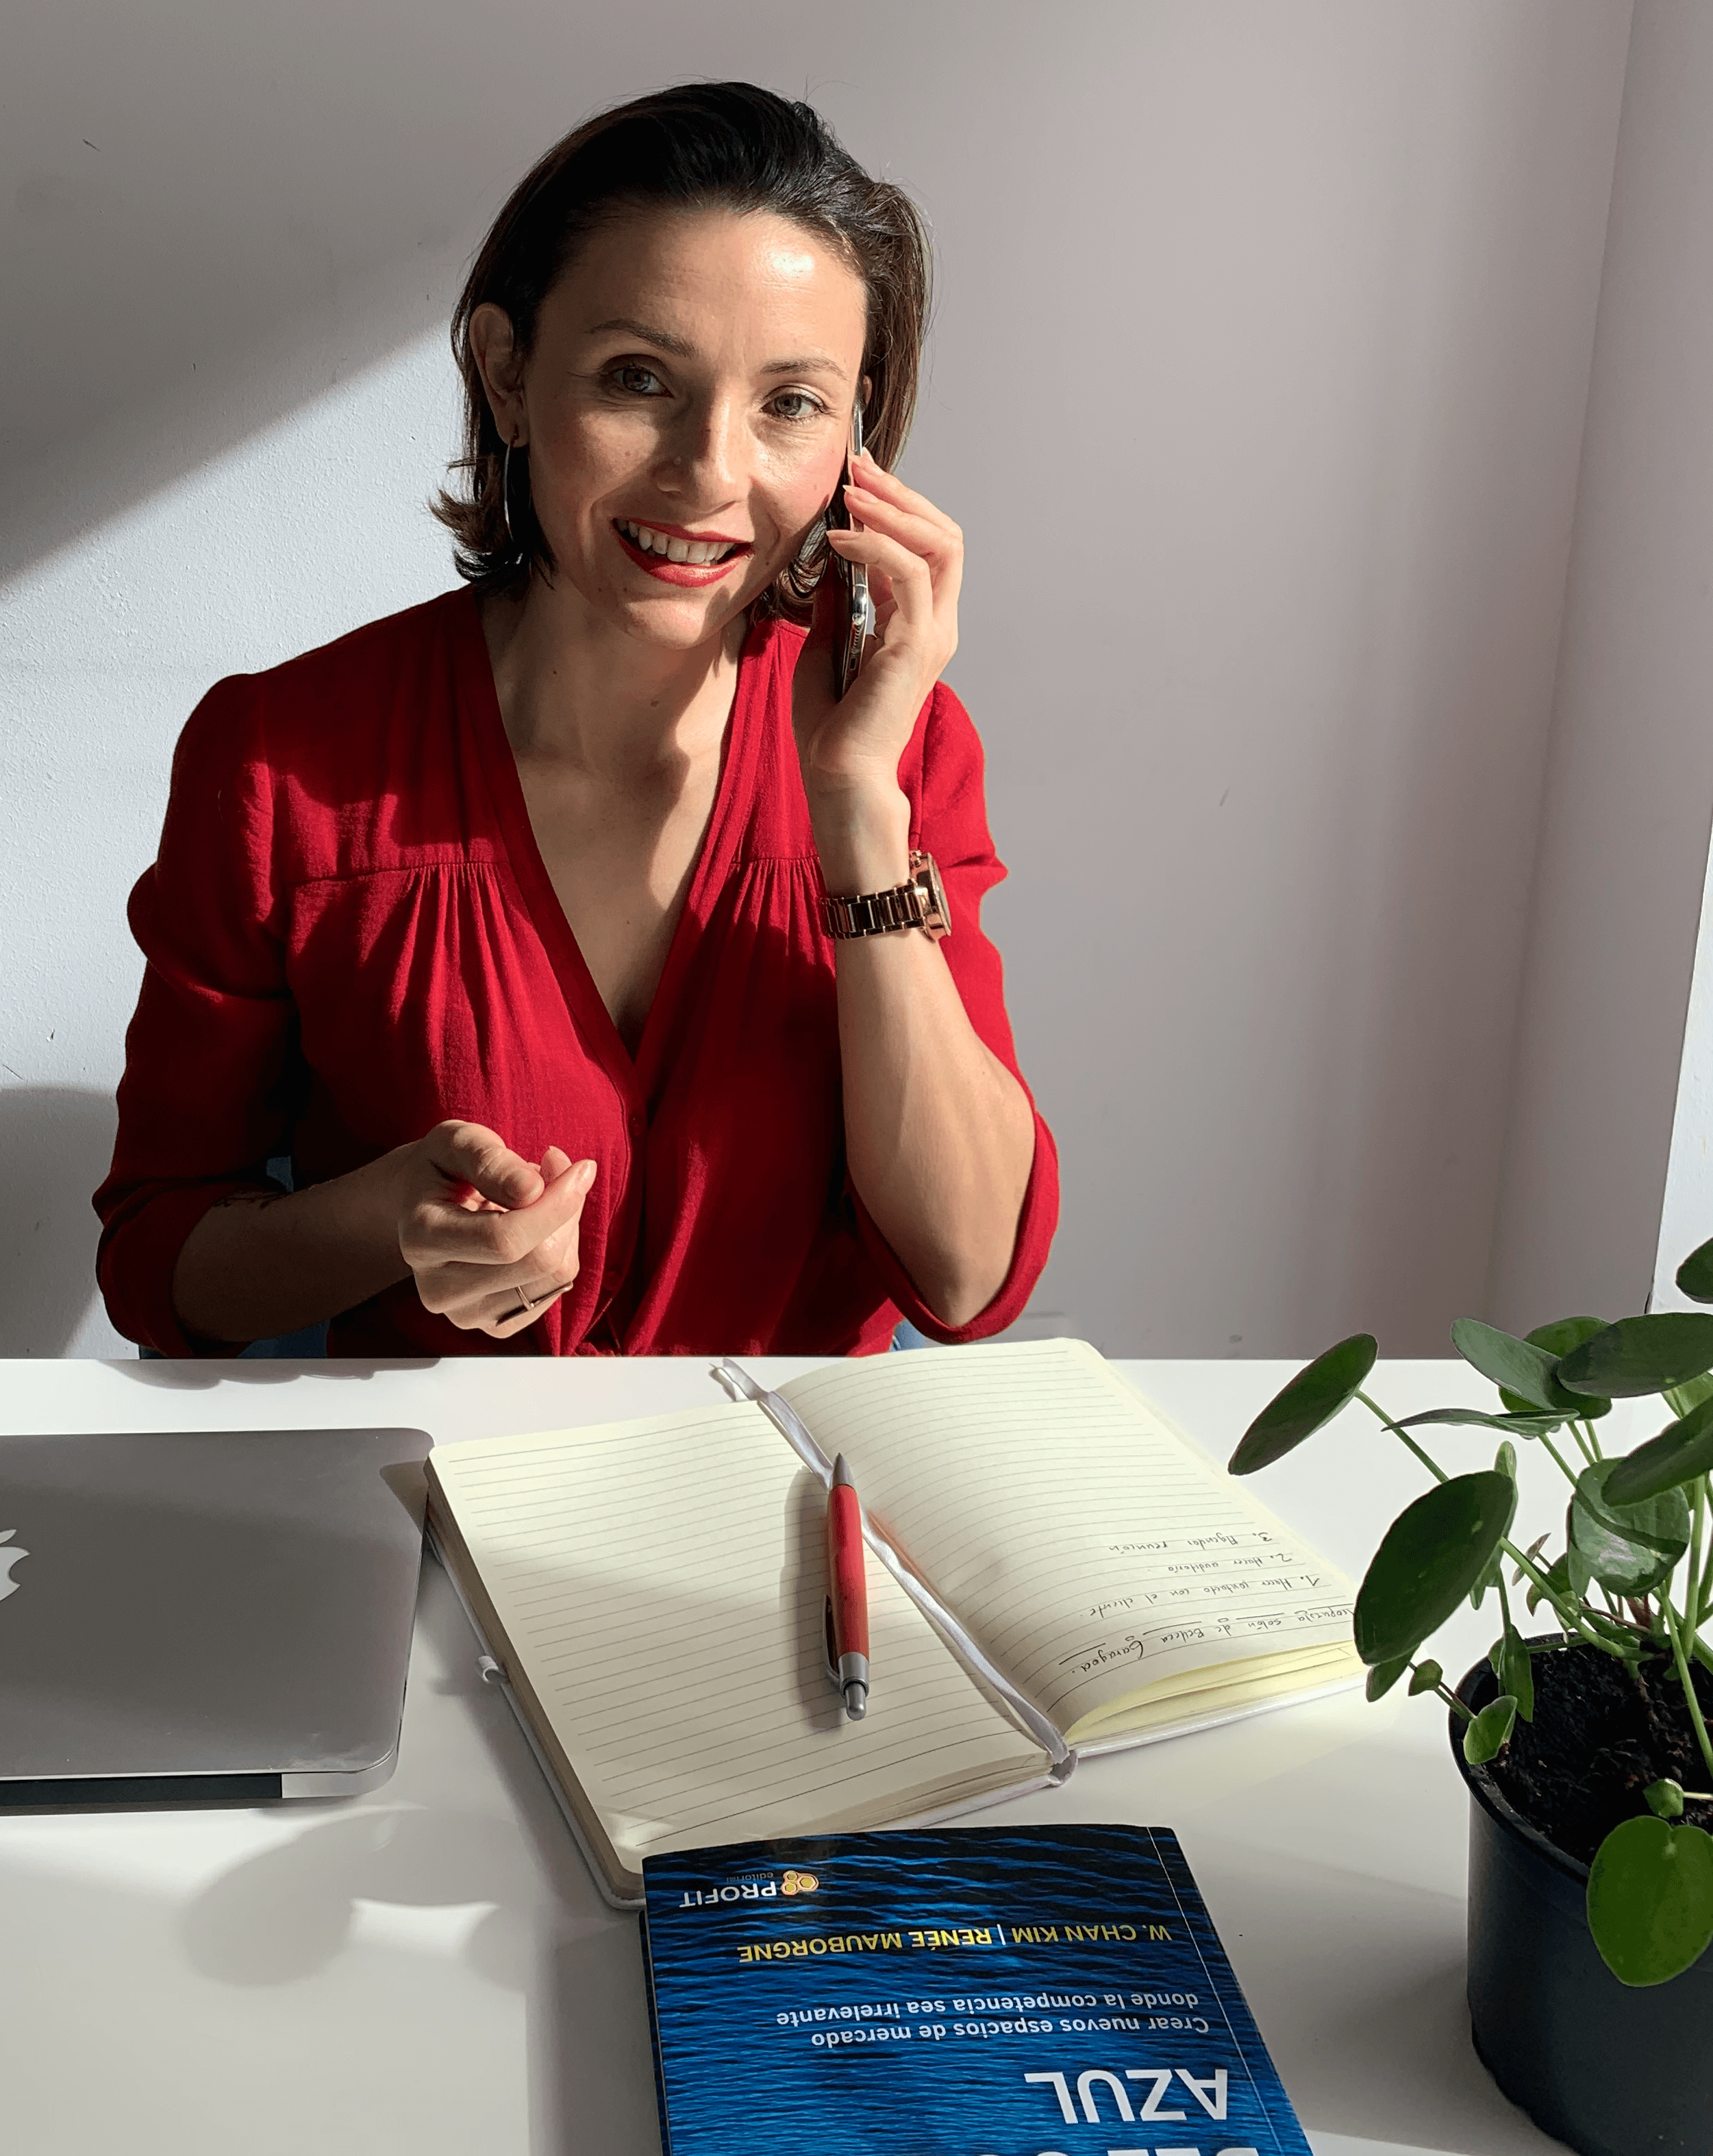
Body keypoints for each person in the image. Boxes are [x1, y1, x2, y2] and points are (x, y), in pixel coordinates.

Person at [93, 82, 1058, 1358]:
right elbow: (157, 1264)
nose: (712, 472)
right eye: (639, 378)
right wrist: (378, 1223)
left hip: (795, 1527)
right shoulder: (285, 765)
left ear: (855, 440)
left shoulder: (907, 749)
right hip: (431, 1520)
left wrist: (858, 812)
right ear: (506, 374)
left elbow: (969, 1277)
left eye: (792, 403)